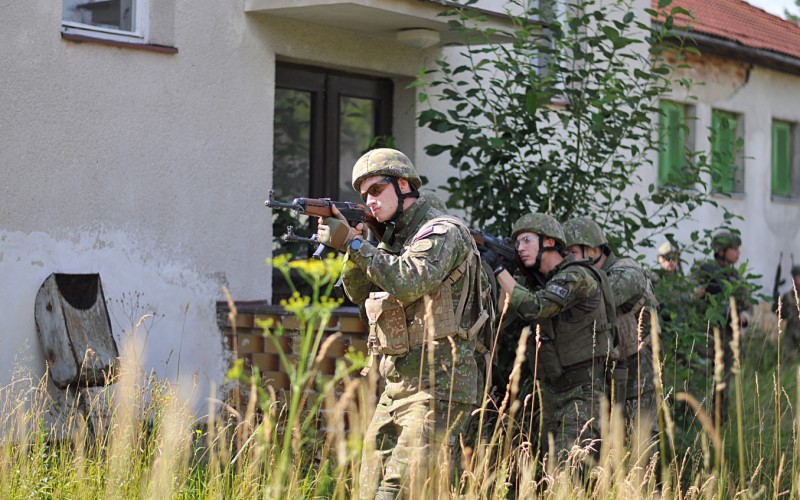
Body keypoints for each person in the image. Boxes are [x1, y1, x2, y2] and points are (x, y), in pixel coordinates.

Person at [316, 148, 493, 499]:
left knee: (400, 491)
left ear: (403, 185)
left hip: (441, 386)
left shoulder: (443, 232)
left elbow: (409, 281)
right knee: (368, 487)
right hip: (396, 384)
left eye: (377, 190)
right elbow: (357, 292)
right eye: (364, 195)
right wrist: (357, 245)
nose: (370, 201)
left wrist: (353, 243)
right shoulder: (391, 240)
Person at [486, 212, 617, 461]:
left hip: (583, 391)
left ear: (548, 242)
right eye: (516, 243)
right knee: (549, 470)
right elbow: (501, 318)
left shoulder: (578, 276)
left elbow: (537, 307)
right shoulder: (541, 283)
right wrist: (505, 275)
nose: (520, 248)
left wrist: (500, 268)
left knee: (570, 469)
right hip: (552, 390)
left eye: (526, 240)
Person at [562, 217, 659, 435]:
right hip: (610, 377)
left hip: (639, 378)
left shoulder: (627, 272)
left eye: (572, 252)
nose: (567, 259)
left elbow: (601, 297)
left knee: (641, 448)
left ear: (594, 251)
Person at [693, 229, 751, 421]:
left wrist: (743, 316)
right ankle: (697, 419)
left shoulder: (735, 276)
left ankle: (720, 422)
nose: (738, 253)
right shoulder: (704, 270)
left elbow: (747, 304)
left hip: (728, 339)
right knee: (704, 379)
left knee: (724, 384)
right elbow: (688, 293)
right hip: (705, 336)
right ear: (721, 250)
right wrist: (698, 293)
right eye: (734, 249)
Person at [774, 265, 800, 357]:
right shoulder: (787, 296)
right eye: (795, 276)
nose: (797, 279)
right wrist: (776, 301)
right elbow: (781, 315)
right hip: (791, 331)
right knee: (787, 358)